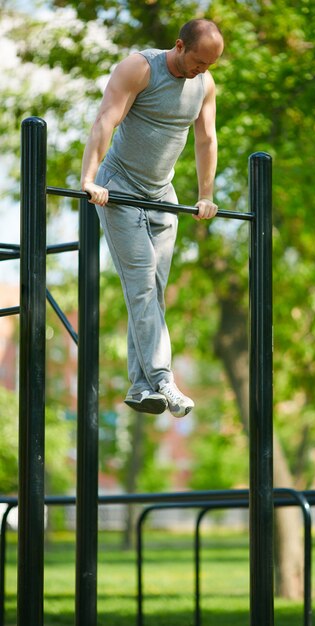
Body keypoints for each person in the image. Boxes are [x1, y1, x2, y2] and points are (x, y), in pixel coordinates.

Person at [81, 19, 224, 418]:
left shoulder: (205, 85)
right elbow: (105, 119)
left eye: (210, 65)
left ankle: (141, 388)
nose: (202, 70)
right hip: (119, 188)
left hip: (163, 196)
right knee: (142, 283)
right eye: (198, 61)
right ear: (179, 46)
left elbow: (206, 139)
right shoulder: (140, 68)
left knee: (152, 294)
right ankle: (164, 380)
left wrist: (207, 195)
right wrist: (89, 179)